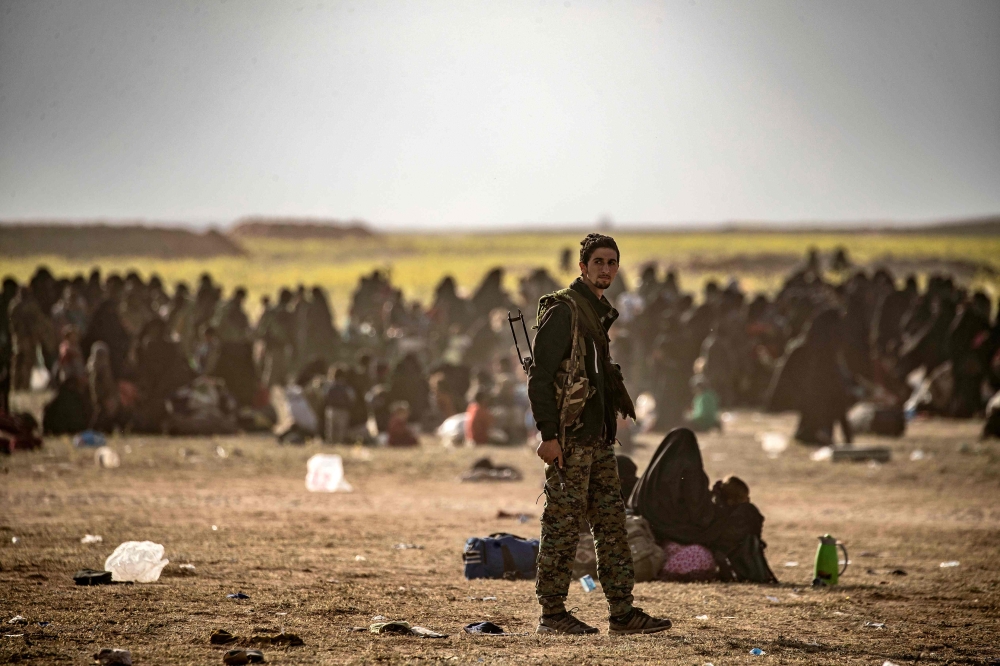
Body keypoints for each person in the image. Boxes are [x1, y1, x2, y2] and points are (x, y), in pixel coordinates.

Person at [528, 233, 671, 636]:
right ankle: (552, 614)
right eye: (599, 262)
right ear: (583, 267)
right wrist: (548, 434)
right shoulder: (565, 312)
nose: (606, 269)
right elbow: (540, 379)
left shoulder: (596, 311)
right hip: (569, 441)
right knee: (561, 526)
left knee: (612, 527)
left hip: (599, 440)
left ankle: (622, 613)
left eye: (612, 262)